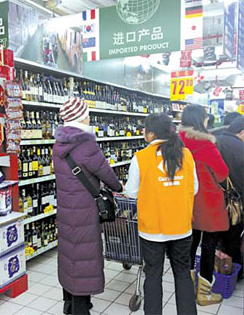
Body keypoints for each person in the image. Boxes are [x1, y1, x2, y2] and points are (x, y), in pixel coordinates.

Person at [53, 97, 122, 315]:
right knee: (83, 256)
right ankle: (81, 309)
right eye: (86, 112)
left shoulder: (59, 142)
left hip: (66, 208)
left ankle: (69, 303)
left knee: (68, 253)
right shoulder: (85, 143)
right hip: (83, 210)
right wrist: (118, 186)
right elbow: (105, 172)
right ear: (80, 116)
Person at [125, 113, 198, 315]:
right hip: (182, 228)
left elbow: (131, 193)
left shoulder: (140, 158)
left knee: (153, 276)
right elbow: (194, 189)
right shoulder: (186, 155)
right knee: (183, 274)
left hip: (152, 230)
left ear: (150, 133)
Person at [179, 105, 229, 306]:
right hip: (208, 202)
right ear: (202, 119)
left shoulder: (176, 142)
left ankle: (188, 287)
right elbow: (222, 173)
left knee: (190, 243)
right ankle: (204, 293)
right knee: (208, 246)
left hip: (186, 200)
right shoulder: (207, 145)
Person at [216, 116, 244, 280]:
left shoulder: (215, 141)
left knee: (220, 238)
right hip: (237, 202)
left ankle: (221, 268)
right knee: (234, 237)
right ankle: (236, 271)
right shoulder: (240, 147)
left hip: (216, 200)